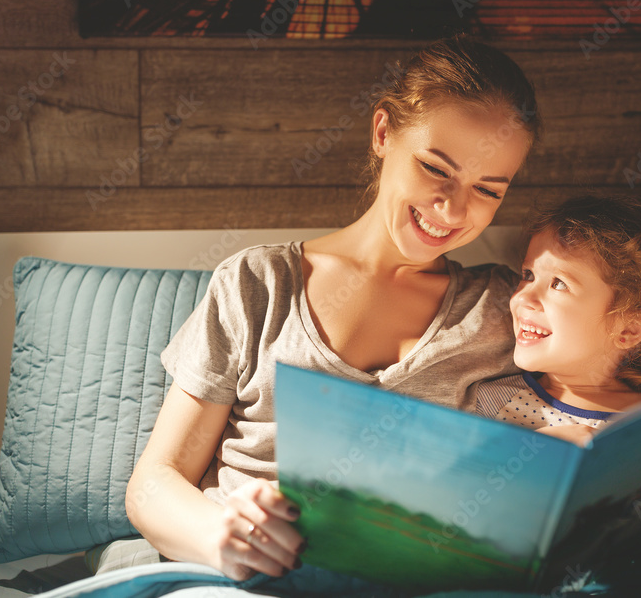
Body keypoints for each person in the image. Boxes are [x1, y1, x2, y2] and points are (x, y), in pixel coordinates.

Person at [125, 34, 542, 583]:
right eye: (437, 169)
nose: (454, 208)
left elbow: (631, 361)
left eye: (488, 190)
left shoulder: (505, 309)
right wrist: (214, 534)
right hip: (246, 577)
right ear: (383, 132)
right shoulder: (259, 283)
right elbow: (156, 480)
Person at [471, 195, 641, 447]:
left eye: (559, 283)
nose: (524, 297)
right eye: (528, 275)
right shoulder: (492, 404)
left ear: (629, 329)